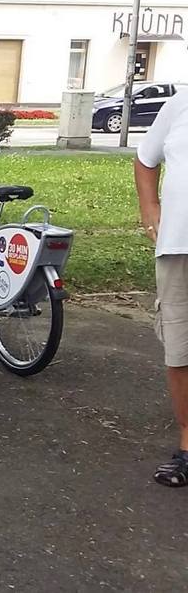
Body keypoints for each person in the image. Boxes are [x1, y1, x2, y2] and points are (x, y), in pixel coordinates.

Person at [136, 88, 188, 488]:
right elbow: (145, 159)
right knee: (180, 350)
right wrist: (150, 208)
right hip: (178, 247)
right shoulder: (180, 104)